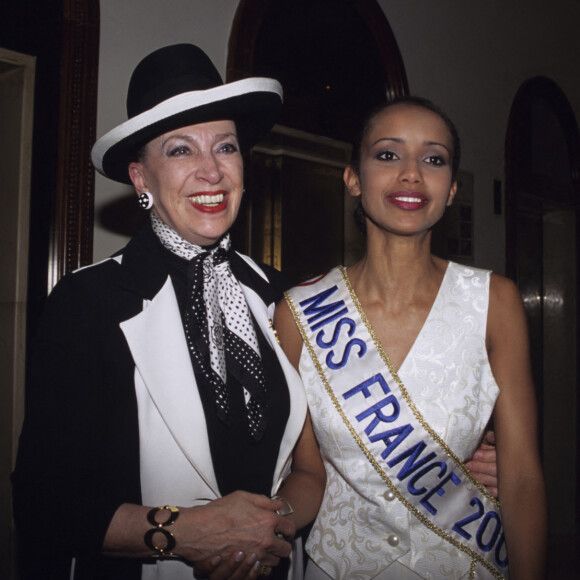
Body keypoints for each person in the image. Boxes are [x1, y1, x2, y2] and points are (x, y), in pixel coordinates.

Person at [11, 43, 326, 580]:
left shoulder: (281, 296)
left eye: (225, 147)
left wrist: (269, 532)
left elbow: (323, 457)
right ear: (140, 179)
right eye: (181, 150)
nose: (210, 171)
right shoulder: (87, 304)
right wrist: (186, 531)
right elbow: (43, 505)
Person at [274, 96, 547, 579]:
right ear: (353, 178)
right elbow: (307, 472)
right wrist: (259, 529)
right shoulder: (298, 314)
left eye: (433, 159)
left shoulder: (495, 302)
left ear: (452, 187)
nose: (411, 173)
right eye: (387, 154)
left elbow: (522, 477)